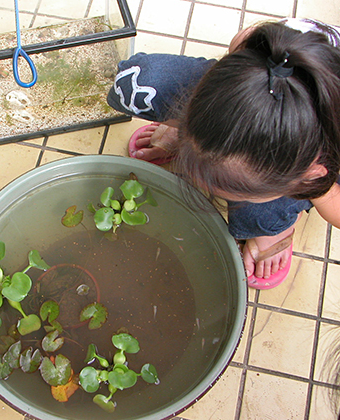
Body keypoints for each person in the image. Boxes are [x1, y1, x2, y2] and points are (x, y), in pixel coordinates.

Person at [108, 19, 340, 289]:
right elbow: (242, 40)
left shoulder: (320, 161)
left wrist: (318, 189)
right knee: (137, 83)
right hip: (243, 86)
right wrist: (205, 122)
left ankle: (274, 232)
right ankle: (191, 132)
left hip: (307, 149)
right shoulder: (262, 47)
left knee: (263, 214)